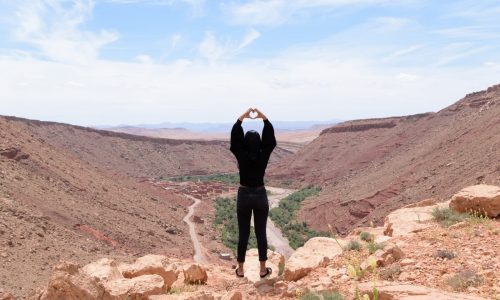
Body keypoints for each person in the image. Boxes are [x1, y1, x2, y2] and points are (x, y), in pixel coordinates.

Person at [230, 107, 277, 278]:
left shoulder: (241, 154)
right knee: (261, 233)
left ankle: (240, 270)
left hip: (243, 195)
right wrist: (263, 118)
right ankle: (263, 270)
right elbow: (270, 141)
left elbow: (235, 140)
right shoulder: (263, 154)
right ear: (258, 143)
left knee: (243, 233)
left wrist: (242, 117)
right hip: (260, 195)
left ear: (245, 142)